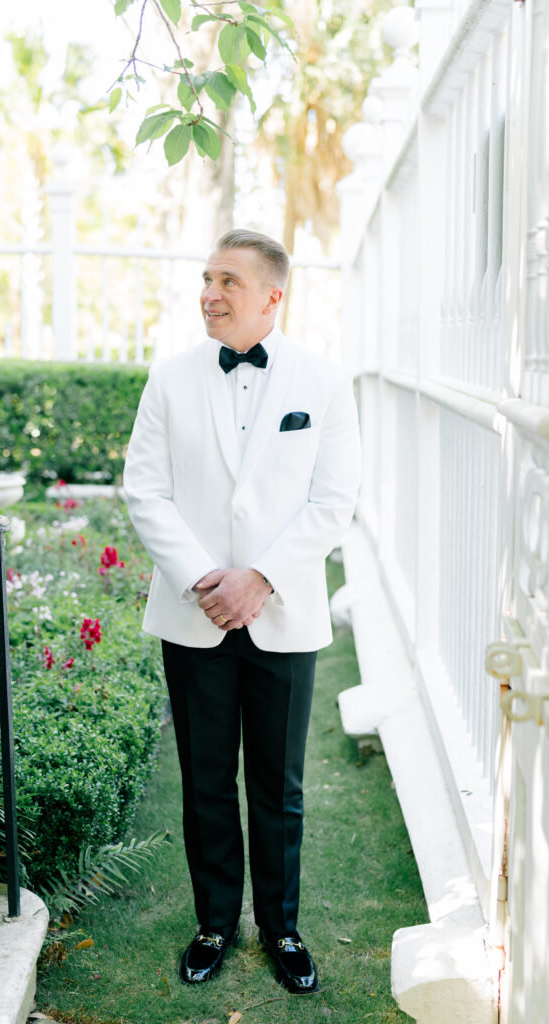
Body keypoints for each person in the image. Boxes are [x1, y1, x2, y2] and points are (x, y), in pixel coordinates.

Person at [123, 228, 361, 994]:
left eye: (227, 280)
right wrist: (204, 579)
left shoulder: (323, 383)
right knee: (204, 779)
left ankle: (282, 928)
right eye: (204, 278)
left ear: (272, 296)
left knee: (278, 783)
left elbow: (334, 501)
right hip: (193, 615)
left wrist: (258, 577)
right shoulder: (169, 378)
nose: (209, 293)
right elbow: (144, 490)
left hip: (282, 613)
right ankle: (213, 923)